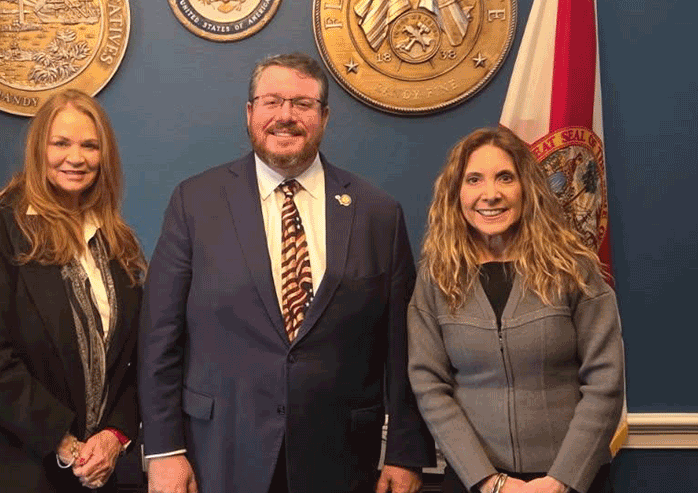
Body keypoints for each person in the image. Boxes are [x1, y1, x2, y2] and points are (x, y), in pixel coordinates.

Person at [140, 53, 435, 493]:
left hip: (340, 459)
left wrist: (405, 451)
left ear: (325, 116)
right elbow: (159, 336)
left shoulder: (378, 214)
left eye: (302, 104)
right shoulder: (196, 202)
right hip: (218, 453)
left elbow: (403, 344)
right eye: (272, 101)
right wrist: (164, 451)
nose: (285, 116)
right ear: (249, 112)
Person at [0, 89, 145, 492]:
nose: (77, 158)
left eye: (90, 145)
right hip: (14, 469)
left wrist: (113, 437)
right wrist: (65, 443)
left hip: (101, 472)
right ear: (39, 149)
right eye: (61, 143)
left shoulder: (116, 239)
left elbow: (134, 357)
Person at [407, 127, 624, 493]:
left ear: (527, 187)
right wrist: (491, 482)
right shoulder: (437, 277)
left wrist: (560, 481)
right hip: (474, 481)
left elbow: (606, 381)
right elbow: (429, 385)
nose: (490, 194)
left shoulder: (573, 267)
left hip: (572, 480)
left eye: (505, 178)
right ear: (455, 194)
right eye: (474, 179)